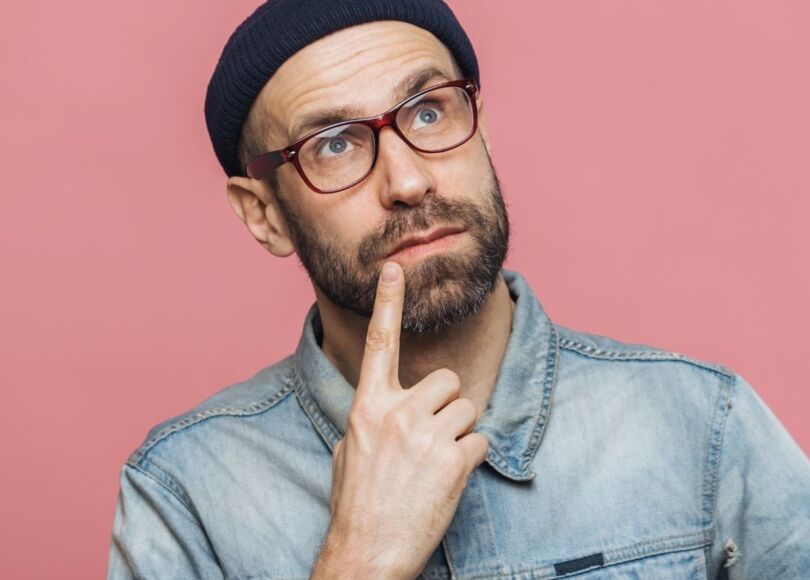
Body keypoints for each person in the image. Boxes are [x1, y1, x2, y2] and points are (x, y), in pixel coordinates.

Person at [107, 1, 810, 578]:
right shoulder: (186, 492)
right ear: (264, 215)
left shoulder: (701, 424)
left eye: (429, 112)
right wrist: (359, 561)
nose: (409, 182)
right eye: (335, 144)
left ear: (484, 133)